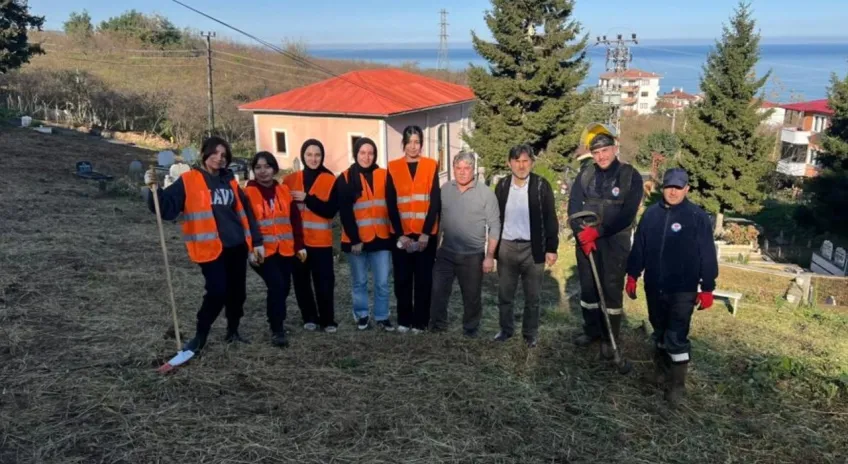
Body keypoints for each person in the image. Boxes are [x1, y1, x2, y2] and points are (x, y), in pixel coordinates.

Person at [144, 136, 263, 352]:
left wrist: (256, 241)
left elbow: (246, 213)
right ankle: (201, 335)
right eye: (216, 153)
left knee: (237, 293)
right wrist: (153, 190)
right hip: (210, 248)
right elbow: (166, 207)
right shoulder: (189, 180)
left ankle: (233, 330)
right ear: (205, 154)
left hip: (236, 246)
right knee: (217, 291)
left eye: (224, 155)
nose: (220, 158)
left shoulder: (230, 182)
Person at [625, 168, 718, 406]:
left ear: (687, 189)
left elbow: (707, 254)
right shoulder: (651, 215)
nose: (673, 192)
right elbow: (640, 248)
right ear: (662, 187)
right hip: (655, 285)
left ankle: (677, 386)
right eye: (669, 187)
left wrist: (708, 287)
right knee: (659, 330)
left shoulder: (696, 217)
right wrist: (633, 274)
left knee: (676, 335)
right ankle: (660, 372)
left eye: (678, 187)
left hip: (683, 288)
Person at [568, 123, 644, 358]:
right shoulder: (586, 174)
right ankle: (591, 330)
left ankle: (610, 336)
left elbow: (628, 214)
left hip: (615, 242)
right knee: (588, 289)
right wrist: (582, 234)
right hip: (586, 241)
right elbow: (573, 206)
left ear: (614, 148)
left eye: (605, 150)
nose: (601, 156)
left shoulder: (631, 176)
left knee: (611, 289)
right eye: (597, 152)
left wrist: (598, 233)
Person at [493, 144, 559, 348]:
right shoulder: (502, 186)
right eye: (516, 161)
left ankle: (530, 334)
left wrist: (551, 248)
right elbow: (495, 219)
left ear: (531, 162)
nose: (521, 166)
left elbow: (550, 218)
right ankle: (506, 330)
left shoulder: (541, 186)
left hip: (534, 248)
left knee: (533, 296)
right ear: (509, 163)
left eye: (525, 161)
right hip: (507, 247)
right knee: (505, 294)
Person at [429, 152, 500, 337]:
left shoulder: (486, 194)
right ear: (453, 169)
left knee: (472, 296)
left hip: (472, 255)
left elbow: (494, 226)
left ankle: (470, 329)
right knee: (437, 291)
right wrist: (435, 249)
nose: (462, 172)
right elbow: (440, 220)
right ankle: (437, 326)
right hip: (446, 252)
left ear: (473, 169)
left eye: (466, 168)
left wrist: (490, 256)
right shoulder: (445, 189)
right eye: (458, 168)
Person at [243, 151, 305, 347]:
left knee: (284, 287)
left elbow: (294, 220)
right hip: (262, 252)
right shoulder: (247, 193)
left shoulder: (284, 191)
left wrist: (300, 245)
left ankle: (276, 319)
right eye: (258, 167)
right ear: (253, 170)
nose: (263, 172)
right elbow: (244, 223)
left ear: (274, 169)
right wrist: (251, 248)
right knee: (277, 285)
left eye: (267, 167)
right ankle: (277, 329)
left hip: (284, 249)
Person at [336, 137, 395, 331]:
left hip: (382, 239)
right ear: (356, 154)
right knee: (359, 281)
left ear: (375, 155)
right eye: (362, 153)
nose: (366, 157)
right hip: (357, 241)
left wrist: (397, 234)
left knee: (382, 282)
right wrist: (354, 239)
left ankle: (382, 316)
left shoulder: (385, 175)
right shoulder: (345, 178)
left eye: (370, 153)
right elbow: (344, 212)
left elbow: (392, 208)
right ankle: (361, 314)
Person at [386, 125, 440, 333]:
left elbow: (434, 201)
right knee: (402, 279)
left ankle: (420, 322)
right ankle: (404, 320)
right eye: (409, 142)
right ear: (403, 144)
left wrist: (426, 232)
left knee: (423, 280)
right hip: (401, 235)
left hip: (425, 235)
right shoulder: (393, 167)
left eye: (417, 142)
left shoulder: (431, 165)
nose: (413, 146)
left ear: (422, 144)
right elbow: (391, 202)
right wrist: (401, 235)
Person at [283, 139, 339, 333]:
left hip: (321, 243)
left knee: (324, 282)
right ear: (303, 155)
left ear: (322, 156)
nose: (313, 159)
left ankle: (328, 320)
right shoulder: (289, 180)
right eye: (309, 155)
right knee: (301, 282)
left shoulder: (330, 179)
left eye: (317, 155)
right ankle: (309, 317)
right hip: (297, 243)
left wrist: (308, 198)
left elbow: (330, 210)